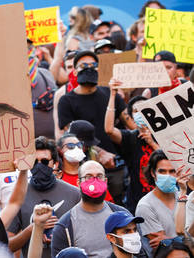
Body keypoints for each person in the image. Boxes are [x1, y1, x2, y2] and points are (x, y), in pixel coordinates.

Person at [57, 50, 133, 204]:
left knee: (117, 206)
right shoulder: (66, 101)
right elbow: (70, 137)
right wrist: (99, 152)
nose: (89, 68)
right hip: (86, 168)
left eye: (93, 65)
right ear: (75, 70)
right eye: (83, 65)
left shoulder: (111, 94)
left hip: (116, 166)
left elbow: (131, 125)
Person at [8, 136, 81, 258]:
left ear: (55, 164)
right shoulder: (18, 196)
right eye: (35, 162)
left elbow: (85, 236)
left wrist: (60, 235)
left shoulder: (74, 194)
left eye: (45, 161)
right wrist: (34, 228)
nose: (40, 166)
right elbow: (8, 245)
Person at [51, 160, 129, 257]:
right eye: (88, 177)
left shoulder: (123, 215)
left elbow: (139, 253)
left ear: (105, 181)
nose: (94, 182)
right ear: (78, 183)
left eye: (99, 176)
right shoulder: (65, 226)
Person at [105, 83, 158, 213]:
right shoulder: (130, 138)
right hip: (137, 202)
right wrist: (112, 95)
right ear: (131, 117)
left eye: (143, 108)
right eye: (135, 111)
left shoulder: (162, 135)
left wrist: (152, 143)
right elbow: (109, 130)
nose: (140, 113)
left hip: (163, 200)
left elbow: (173, 160)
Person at [136, 150, 192, 249]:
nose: (167, 176)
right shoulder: (145, 206)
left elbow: (167, 242)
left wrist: (169, 241)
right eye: (162, 171)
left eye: (172, 171)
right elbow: (162, 248)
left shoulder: (186, 198)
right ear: (153, 173)